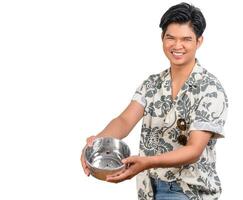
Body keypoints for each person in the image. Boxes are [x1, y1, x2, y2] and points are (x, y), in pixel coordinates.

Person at [81, 2, 228, 200]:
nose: (177, 46)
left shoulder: (211, 89)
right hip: (148, 189)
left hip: (188, 191)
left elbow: (194, 150)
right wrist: (97, 141)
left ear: (199, 41)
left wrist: (148, 161)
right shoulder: (152, 84)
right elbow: (125, 120)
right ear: (162, 39)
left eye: (186, 39)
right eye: (171, 38)